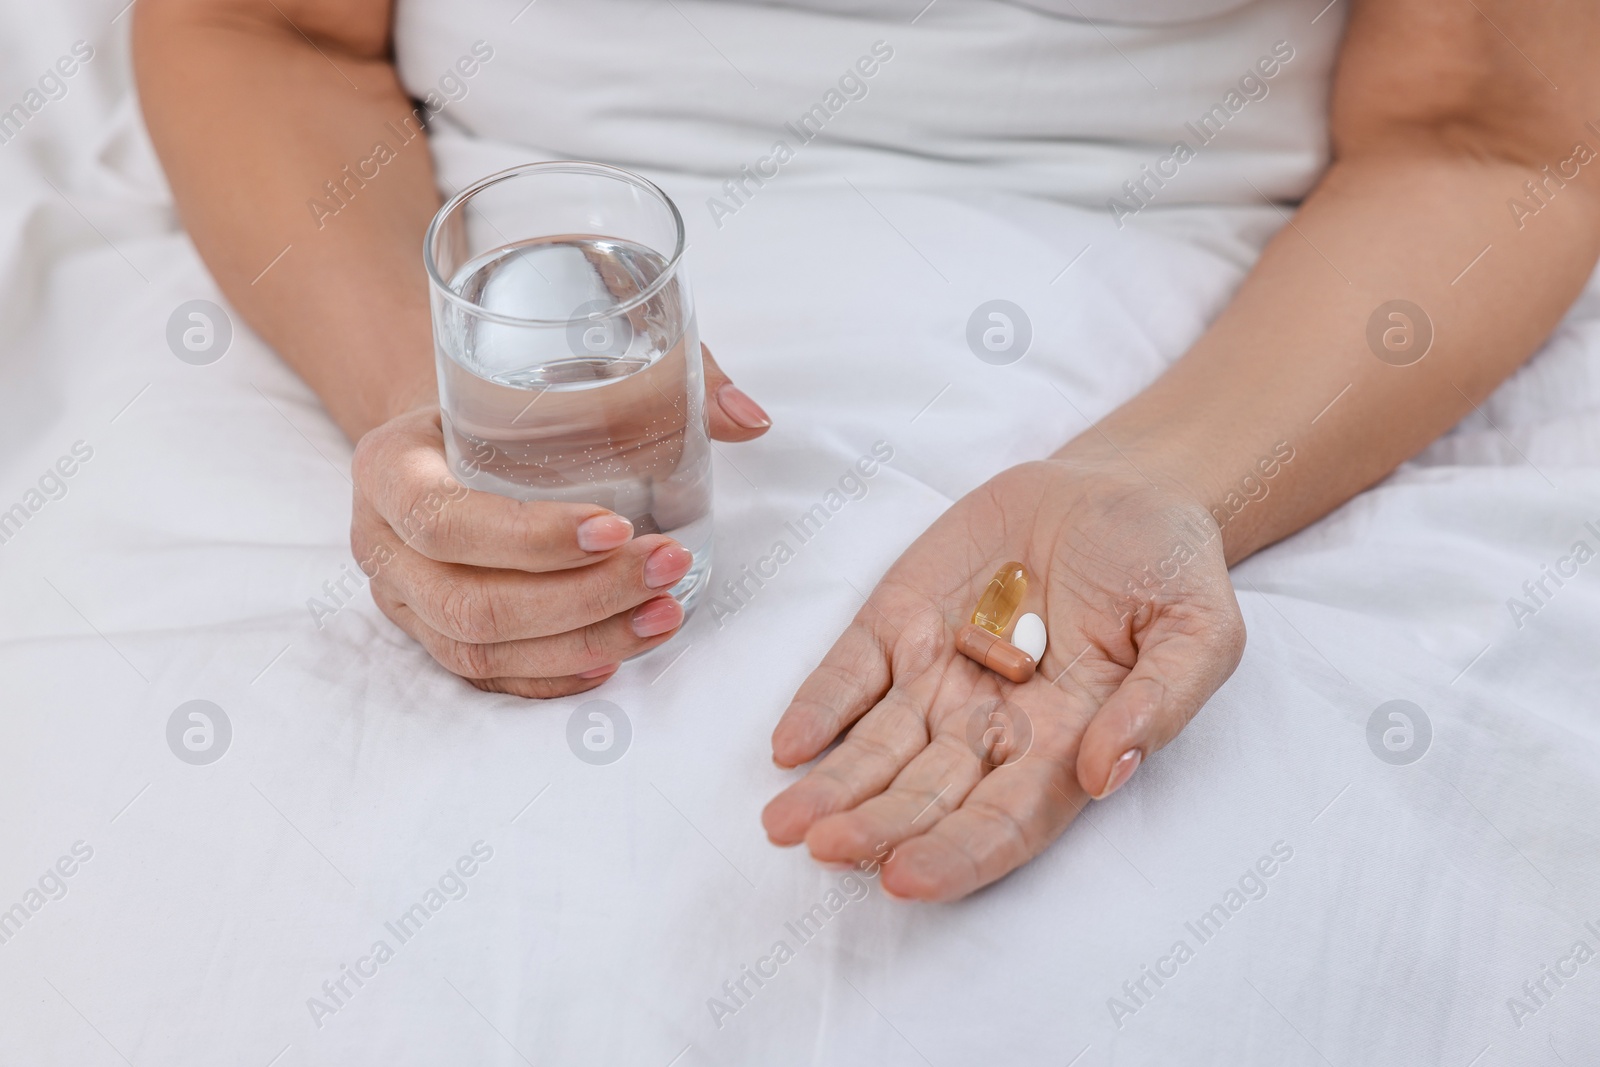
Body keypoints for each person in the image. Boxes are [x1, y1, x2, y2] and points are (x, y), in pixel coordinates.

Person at [132, 0, 1600, 901]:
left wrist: (1168, 483)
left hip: (1252, 340)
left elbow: (1489, 136)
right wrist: (449, 415)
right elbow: (256, 27)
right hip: (442, 276)